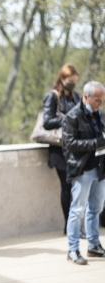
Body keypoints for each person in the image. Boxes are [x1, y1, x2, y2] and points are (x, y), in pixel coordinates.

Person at [63, 80, 105, 265]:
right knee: (77, 210)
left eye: (102, 100)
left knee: (95, 209)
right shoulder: (72, 117)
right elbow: (70, 144)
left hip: (100, 168)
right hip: (82, 170)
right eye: (97, 100)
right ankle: (72, 250)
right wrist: (97, 143)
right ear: (86, 97)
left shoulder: (99, 114)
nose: (100, 104)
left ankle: (94, 245)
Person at [43, 63, 80, 235]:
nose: (72, 84)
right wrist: (67, 119)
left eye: (74, 81)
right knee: (67, 187)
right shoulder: (53, 97)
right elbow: (47, 122)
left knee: (76, 188)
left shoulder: (76, 97)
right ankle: (69, 226)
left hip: (75, 148)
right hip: (59, 150)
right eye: (69, 81)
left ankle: (75, 225)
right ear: (62, 79)